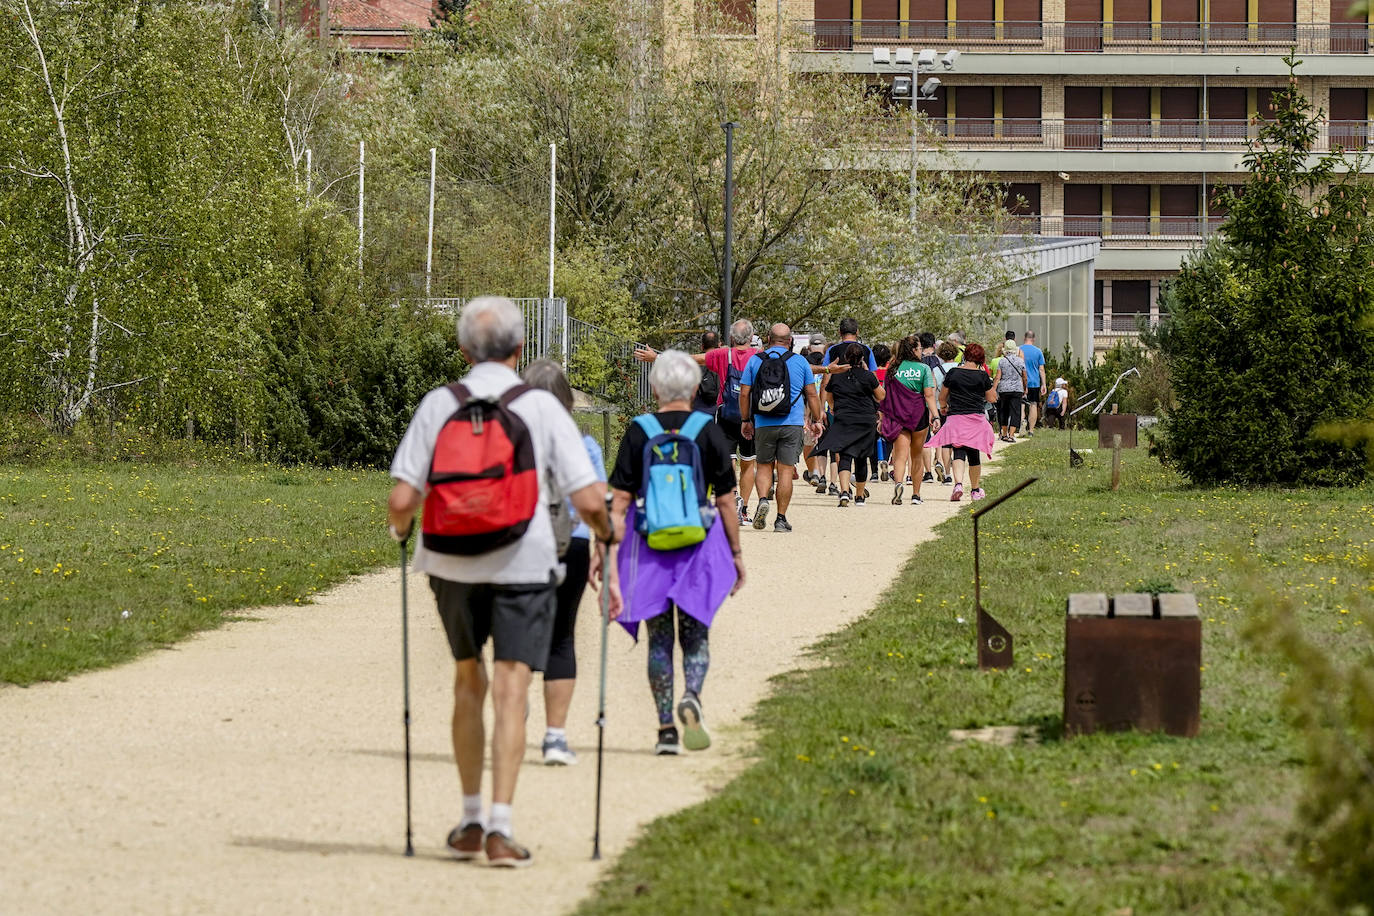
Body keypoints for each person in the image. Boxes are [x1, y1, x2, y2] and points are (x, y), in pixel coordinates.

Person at [387, 296, 614, 868]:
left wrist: (401, 531)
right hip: (524, 560)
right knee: (512, 689)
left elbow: (400, 501)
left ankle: (467, 818)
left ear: (463, 351)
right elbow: (588, 499)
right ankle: (501, 830)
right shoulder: (542, 408)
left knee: (470, 681)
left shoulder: (439, 404)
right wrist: (605, 534)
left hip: (450, 561)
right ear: (520, 350)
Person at [605, 350, 745, 755]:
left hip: (651, 547)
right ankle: (693, 697)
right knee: (696, 636)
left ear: (655, 387)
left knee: (660, 641)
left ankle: (666, 729)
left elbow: (618, 503)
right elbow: (725, 501)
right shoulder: (707, 431)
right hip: (697, 546)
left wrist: (609, 555)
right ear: (693, 387)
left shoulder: (639, 430)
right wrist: (735, 554)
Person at [520, 360, 601, 767]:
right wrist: (605, 546)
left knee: (515, 635)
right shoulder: (583, 444)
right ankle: (555, 737)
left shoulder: (510, 441)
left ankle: (514, 712)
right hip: (574, 543)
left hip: (520, 545)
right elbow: (595, 501)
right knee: (562, 637)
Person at [739, 323, 825, 533]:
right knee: (786, 470)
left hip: (763, 422)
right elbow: (812, 394)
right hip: (792, 423)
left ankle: (762, 500)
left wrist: (745, 420)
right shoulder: (799, 362)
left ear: (768, 338)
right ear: (790, 341)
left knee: (764, 465)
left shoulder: (755, 360)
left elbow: (744, 393)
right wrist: (816, 420)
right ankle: (780, 519)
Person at [702, 320, 760, 525]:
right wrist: (826, 371)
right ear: (752, 338)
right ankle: (744, 509)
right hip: (751, 417)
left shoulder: (722, 354)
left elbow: (695, 359)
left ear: (732, 338)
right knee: (748, 462)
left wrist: (658, 357)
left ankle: (731, 499)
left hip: (725, 412)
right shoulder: (758, 356)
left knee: (728, 459)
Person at [815, 342, 885, 506]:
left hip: (844, 418)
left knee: (845, 455)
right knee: (861, 457)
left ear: (846, 357)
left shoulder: (837, 376)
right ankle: (859, 497)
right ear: (862, 358)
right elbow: (881, 395)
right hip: (865, 419)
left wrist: (834, 410)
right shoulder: (867, 376)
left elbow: (830, 397)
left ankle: (844, 491)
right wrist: (869, 374)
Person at [926, 342, 998, 502]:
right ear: (981, 358)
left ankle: (958, 484)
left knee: (958, 452)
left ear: (965, 356)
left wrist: (943, 408)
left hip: (956, 418)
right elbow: (991, 398)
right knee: (973, 455)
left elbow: (942, 397)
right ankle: (974, 490)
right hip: (976, 420)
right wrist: (993, 384)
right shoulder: (982, 375)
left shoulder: (953, 373)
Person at [881, 335, 942, 506]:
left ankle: (899, 483)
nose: (922, 351)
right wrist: (935, 416)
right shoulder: (923, 369)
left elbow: (886, 395)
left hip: (898, 415)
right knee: (916, 456)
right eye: (920, 348)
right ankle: (916, 494)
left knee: (900, 455)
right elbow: (929, 395)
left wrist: (883, 417)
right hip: (918, 416)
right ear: (914, 350)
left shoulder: (893, 368)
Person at [934, 340, 960, 484]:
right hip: (957, 407)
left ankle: (947, 473)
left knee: (945, 442)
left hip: (941, 407)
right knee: (957, 441)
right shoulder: (960, 367)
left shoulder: (937, 370)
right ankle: (957, 472)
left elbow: (933, 390)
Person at [993, 339, 1028, 443]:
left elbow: (998, 376)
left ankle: (1004, 433)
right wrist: (1025, 388)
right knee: (1015, 411)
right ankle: (1011, 435)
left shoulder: (1002, 361)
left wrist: (994, 389)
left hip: (1004, 389)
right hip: (1017, 388)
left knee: (1004, 411)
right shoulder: (1020, 361)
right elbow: (1024, 377)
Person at [1020, 330, 1047, 434]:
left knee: (1021, 405)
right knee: (1033, 404)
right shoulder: (1038, 351)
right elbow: (1041, 369)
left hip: (1021, 382)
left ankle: (1021, 425)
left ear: (1024, 338)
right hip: (1034, 383)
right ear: (1034, 339)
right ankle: (1031, 430)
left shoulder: (1019, 350)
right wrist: (1043, 384)